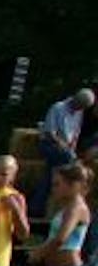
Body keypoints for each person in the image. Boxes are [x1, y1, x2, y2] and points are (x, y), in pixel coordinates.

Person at [33, 88, 94, 216]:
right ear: (75, 100)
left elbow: (75, 134)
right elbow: (50, 133)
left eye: (83, 108)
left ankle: (38, 207)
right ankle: (71, 196)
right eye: (80, 106)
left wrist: (72, 146)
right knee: (70, 163)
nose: (80, 109)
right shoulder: (58, 108)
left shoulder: (79, 112)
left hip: (64, 149)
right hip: (49, 145)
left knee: (53, 172)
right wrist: (67, 149)